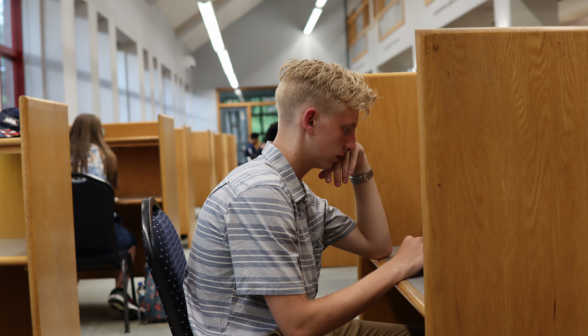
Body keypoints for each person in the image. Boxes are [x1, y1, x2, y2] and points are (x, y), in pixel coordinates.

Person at [183, 59, 424, 336]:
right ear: (310, 121)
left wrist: (361, 167)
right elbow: (299, 326)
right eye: (346, 129)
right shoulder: (261, 193)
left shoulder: (293, 190)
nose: (352, 144)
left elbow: (376, 245)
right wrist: (398, 267)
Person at [70, 114, 139, 314]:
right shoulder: (106, 156)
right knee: (131, 240)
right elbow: (108, 191)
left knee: (71, 253)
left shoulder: (59, 154)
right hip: (103, 235)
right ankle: (119, 290)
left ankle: (68, 298)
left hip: (70, 235)